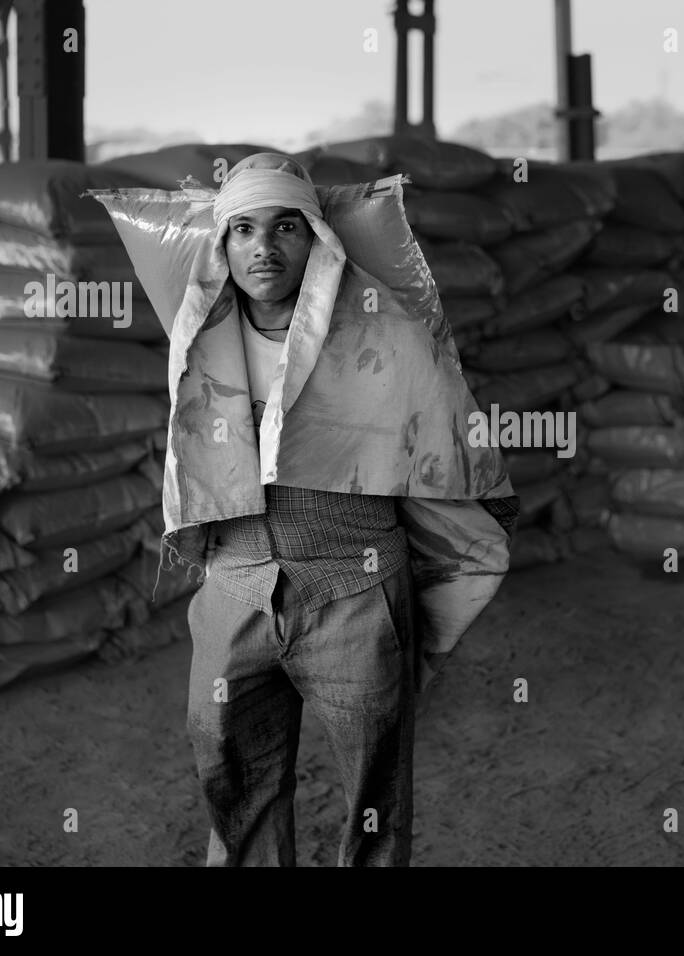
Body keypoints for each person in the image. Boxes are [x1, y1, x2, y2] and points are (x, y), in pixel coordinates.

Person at [159, 154, 516, 865]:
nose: (264, 247)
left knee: (374, 795)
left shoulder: (390, 335)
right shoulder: (199, 339)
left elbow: (447, 452)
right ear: (221, 245)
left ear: (318, 237)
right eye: (244, 230)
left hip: (355, 589)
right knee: (233, 783)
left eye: (286, 226)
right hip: (236, 588)